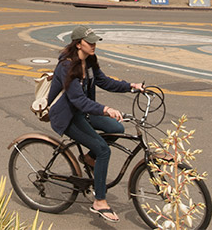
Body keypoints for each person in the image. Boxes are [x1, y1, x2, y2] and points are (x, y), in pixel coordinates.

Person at [47, 25, 144, 223]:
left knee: (117, 127)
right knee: (103, 150)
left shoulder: (89, 61)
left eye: (94, 42)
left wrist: (131, 87)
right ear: (78, 44)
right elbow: (78, 100)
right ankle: (99, 201)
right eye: (89, 42)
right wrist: (106, 109)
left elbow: (104, 81)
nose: (93, 45)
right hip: (68, 117)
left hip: (84, 112)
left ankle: (90, 159)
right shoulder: (66, 66)